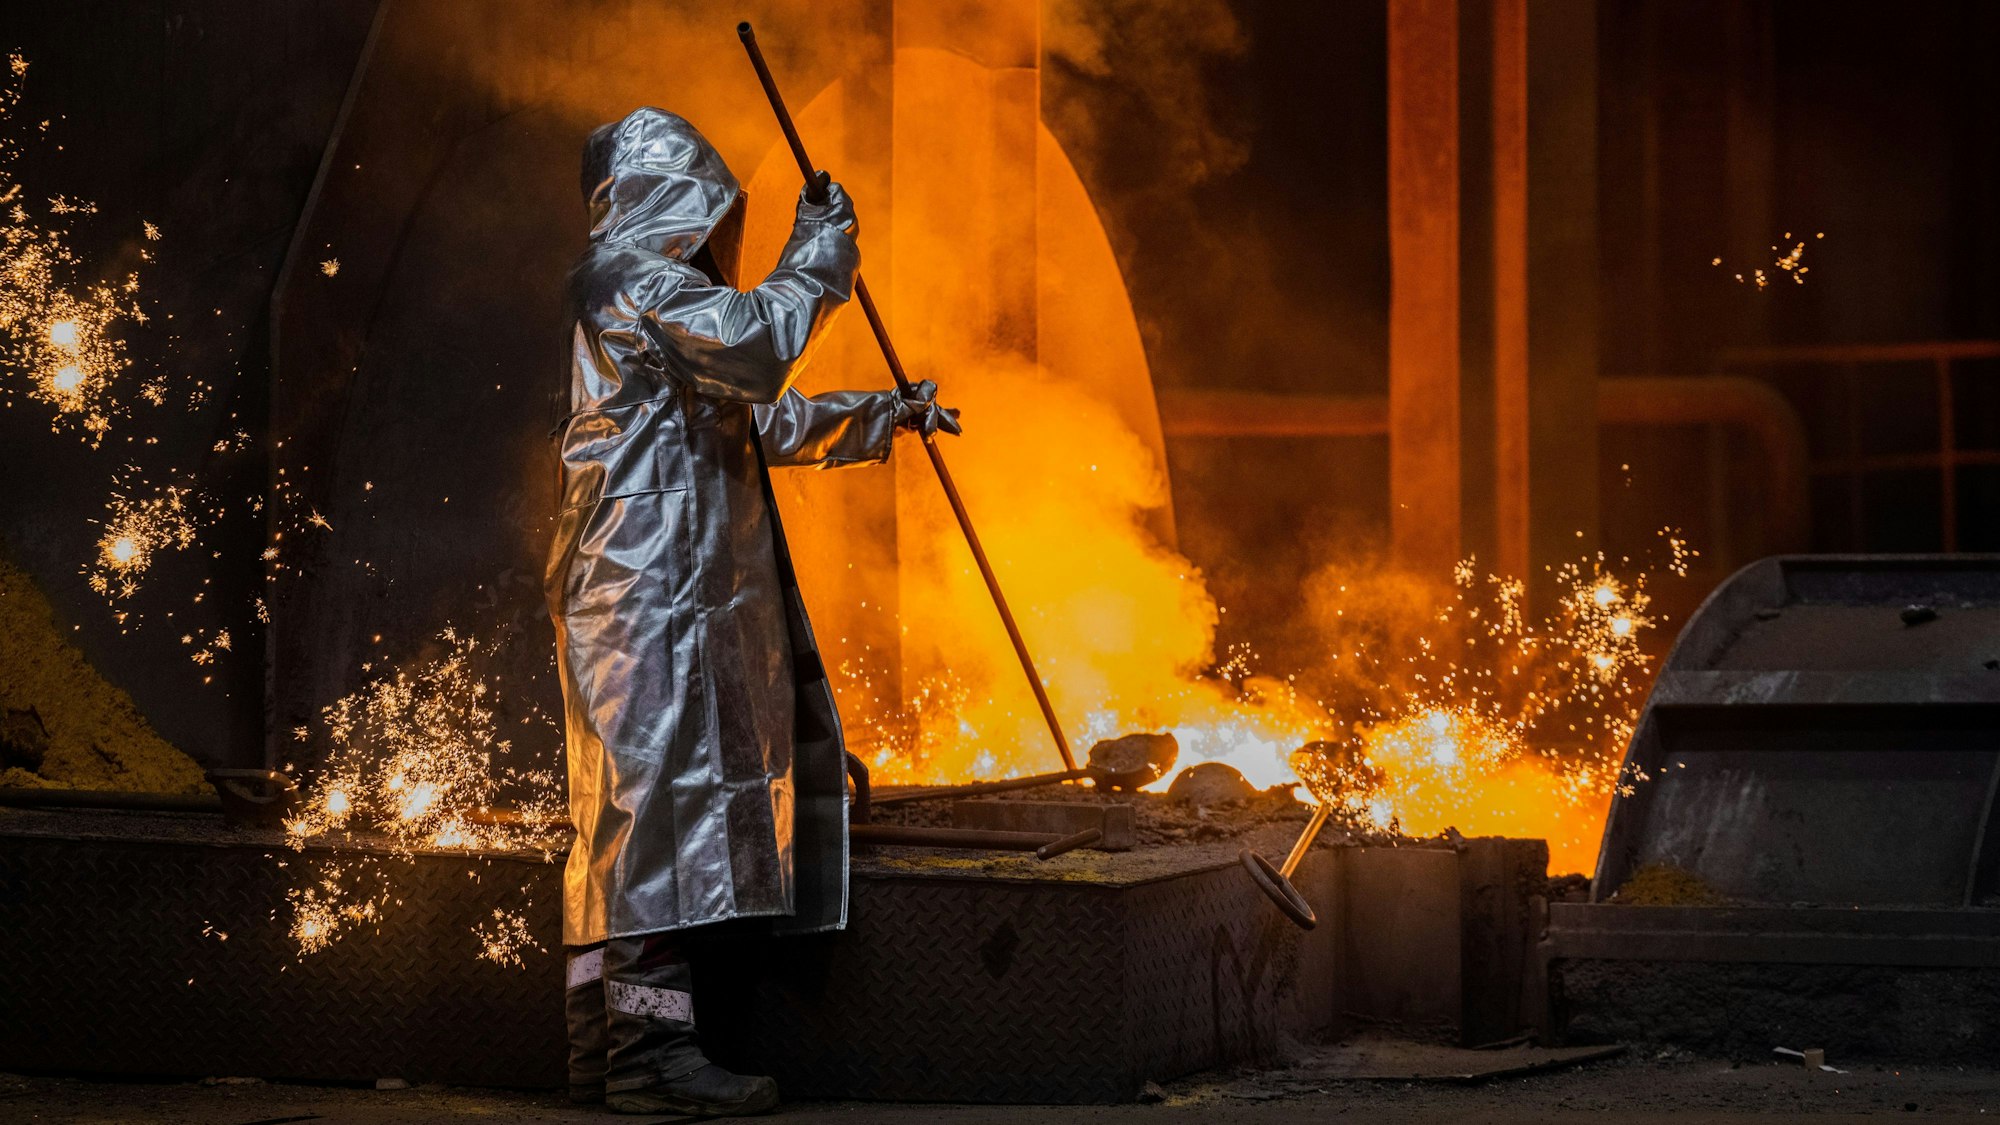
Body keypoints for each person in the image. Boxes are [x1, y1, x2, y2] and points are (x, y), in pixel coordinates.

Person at [546, 107, 958, 1117]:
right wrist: (818, 251)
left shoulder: (653, 305)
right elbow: (761, 344)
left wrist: (882, 414)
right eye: (710, 213)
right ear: (670, 202)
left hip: (656, 595)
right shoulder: (626, 282)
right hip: (644, 598)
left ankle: (603, 1047)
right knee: (649, 824)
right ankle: (646, 1057)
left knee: (635, 820)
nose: (718, 236)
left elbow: (757, 413)